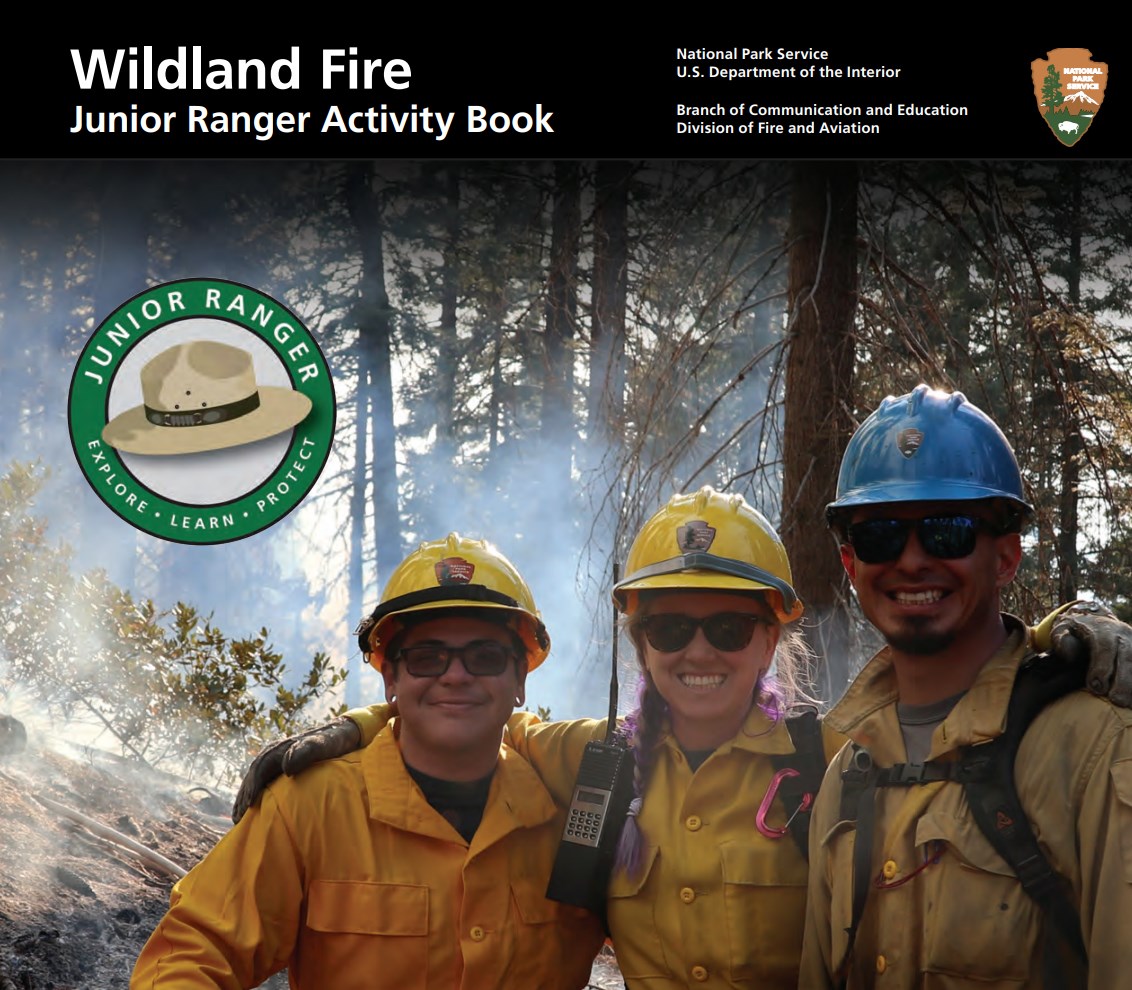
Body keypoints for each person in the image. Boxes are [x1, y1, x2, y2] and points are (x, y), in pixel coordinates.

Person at [234, 490, 1132, 990]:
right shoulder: (596, 762)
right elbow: (469, 703)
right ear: (639, 643)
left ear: (770, 638)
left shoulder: (842, 759)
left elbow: (956, 703)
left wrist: (1074, 634)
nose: (697, 651)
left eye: (727, 629)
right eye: (669, 631)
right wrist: (359, 721)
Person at [131, 535, 605, 989]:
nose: (456, 675)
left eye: (485, 656)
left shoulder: (571, 815)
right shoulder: (310, 806)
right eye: (426, 657)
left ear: (520, 680)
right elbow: (193, 954)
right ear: (390, 679)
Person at [800, 384, 1132, 989]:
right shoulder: (846, 775)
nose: (911, 560)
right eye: (879, 535)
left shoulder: (1095, 751)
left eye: (947, 530)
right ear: (852, 566)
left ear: (1006, 557)